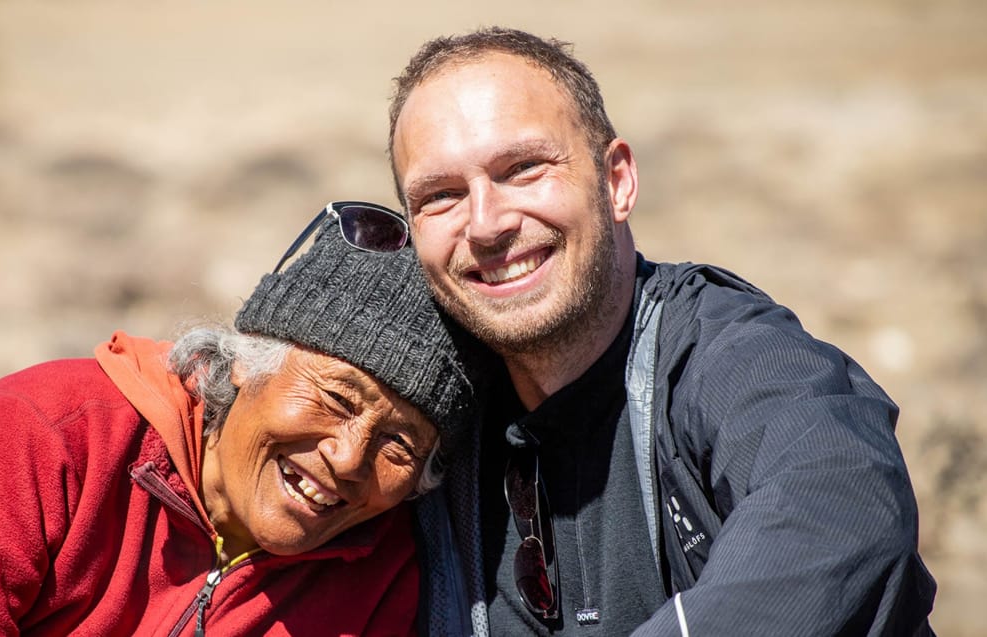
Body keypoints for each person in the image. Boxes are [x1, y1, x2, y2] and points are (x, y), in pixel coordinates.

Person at [390, 27, 937, 636]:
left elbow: (843, 504)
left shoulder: (727, 356)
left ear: (617, 181)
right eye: (440, 196)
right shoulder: (421, 416)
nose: (486, 224)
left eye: (523, 169)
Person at [0, 201, 480, 636]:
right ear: (245, 363)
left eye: (399, 444)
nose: (347, 458)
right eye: (336, 400)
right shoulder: (44, 437)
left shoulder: (385, 571)